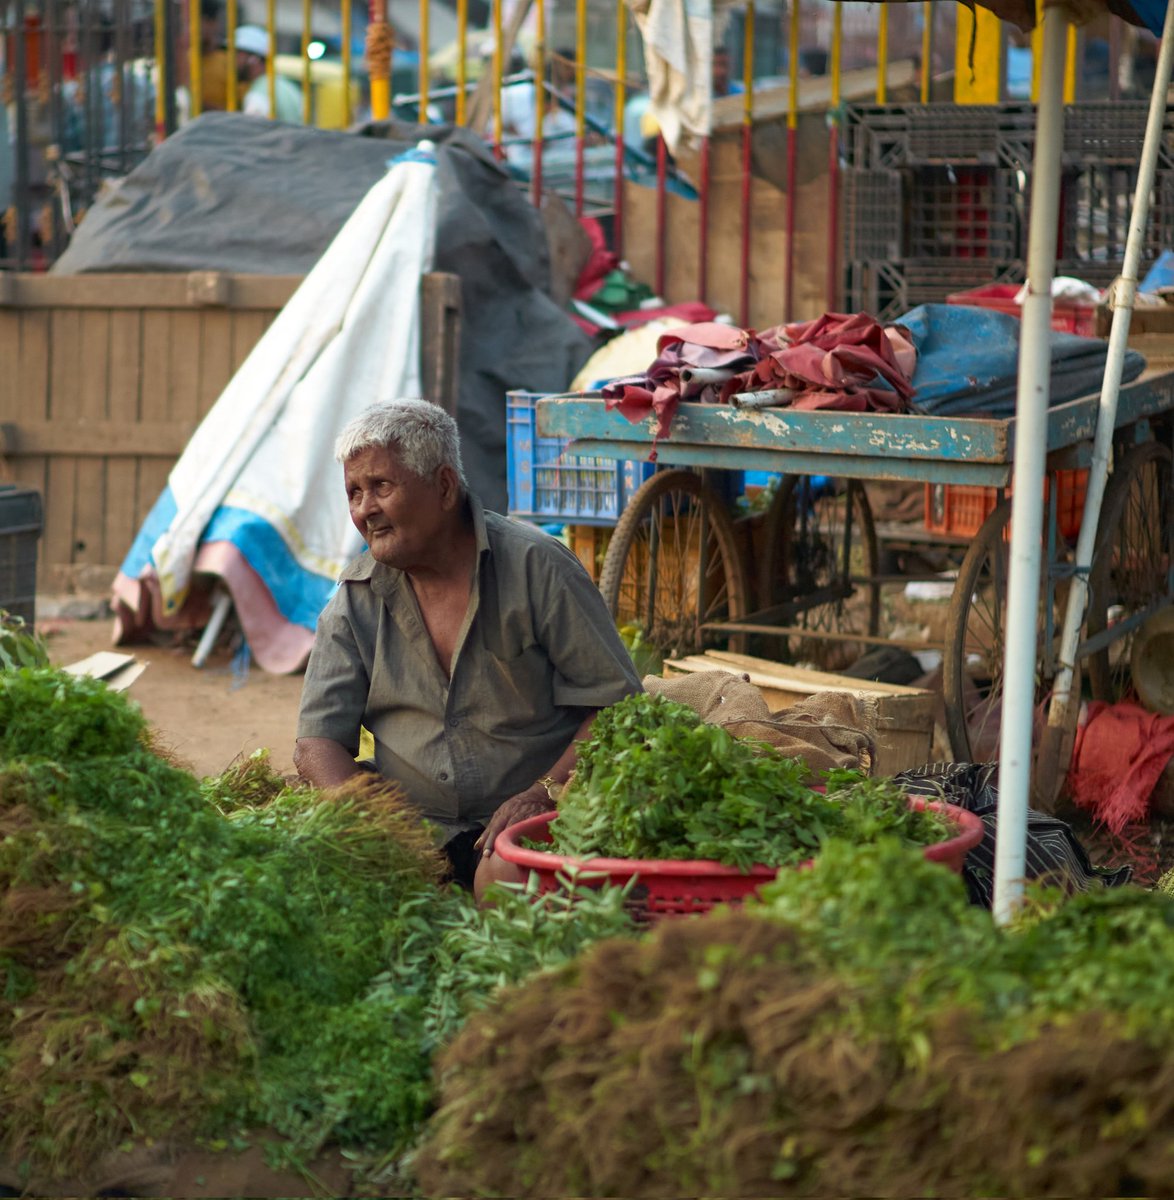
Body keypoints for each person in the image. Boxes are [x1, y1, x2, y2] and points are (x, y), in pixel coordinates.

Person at [294, 399, 642, 894]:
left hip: (534, 821)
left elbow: (618, 708)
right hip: (415, 827)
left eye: (381, 487)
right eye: (354, 492)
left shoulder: (537, 568)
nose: (365, 509)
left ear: (442, 486)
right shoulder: (356, 599)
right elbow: (316, 743)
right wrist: (360, 816)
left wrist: (544, 793)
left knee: (504, 878)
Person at [234, 25, 303, 123]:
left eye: (236, 55)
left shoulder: (260, 93)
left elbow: (254, 132)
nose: (230, 62)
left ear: (253, 59)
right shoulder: (286, 86)